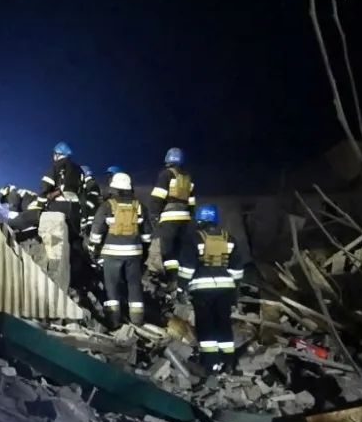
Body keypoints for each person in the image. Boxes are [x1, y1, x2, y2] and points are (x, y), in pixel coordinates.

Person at [177, 204, 245, 374]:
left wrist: (180, 288)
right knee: (223, 324)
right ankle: (228, 362)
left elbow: (187, 268)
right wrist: (235, 289)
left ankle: (210, 364)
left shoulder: (194, 239)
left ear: (200, 220)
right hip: (226, 290)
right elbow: (237, 269)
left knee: (206, 325)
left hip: (202, 291)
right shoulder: (229, 238)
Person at [89, 172, 153, 328]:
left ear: (113, 188)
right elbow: (148, 235)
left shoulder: (107, 206)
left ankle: (114, 321)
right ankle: (137, 321)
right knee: (134, 287)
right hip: (134, 255)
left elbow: (96, 231)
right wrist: (143, 251)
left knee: (112, 288)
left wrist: (93, 249)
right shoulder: (139, 206)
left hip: (112, 254)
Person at [149, 147, 196, 290]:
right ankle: (181, 283)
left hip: (169, 219)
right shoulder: (188, 178)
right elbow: (192, 203)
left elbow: (158, 196)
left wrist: (154, 214)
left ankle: (170, 280)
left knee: (167, 251)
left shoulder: (166, 174)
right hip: (185, 221)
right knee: (179, 251)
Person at [39, 142, 83, 242]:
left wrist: (40, 206)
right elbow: (83, 192)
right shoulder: (79, 170)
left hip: (58, 206)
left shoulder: (56, 167)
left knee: (55, 239)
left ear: (58, 154)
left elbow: (45, 187)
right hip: (76, 208)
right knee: (73, 239)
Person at [79, 165, 101, 236]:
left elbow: (91, 202)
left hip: (91, 221)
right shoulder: (87, 184)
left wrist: (80, 210)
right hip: (88, 219)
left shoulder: (92, 184)